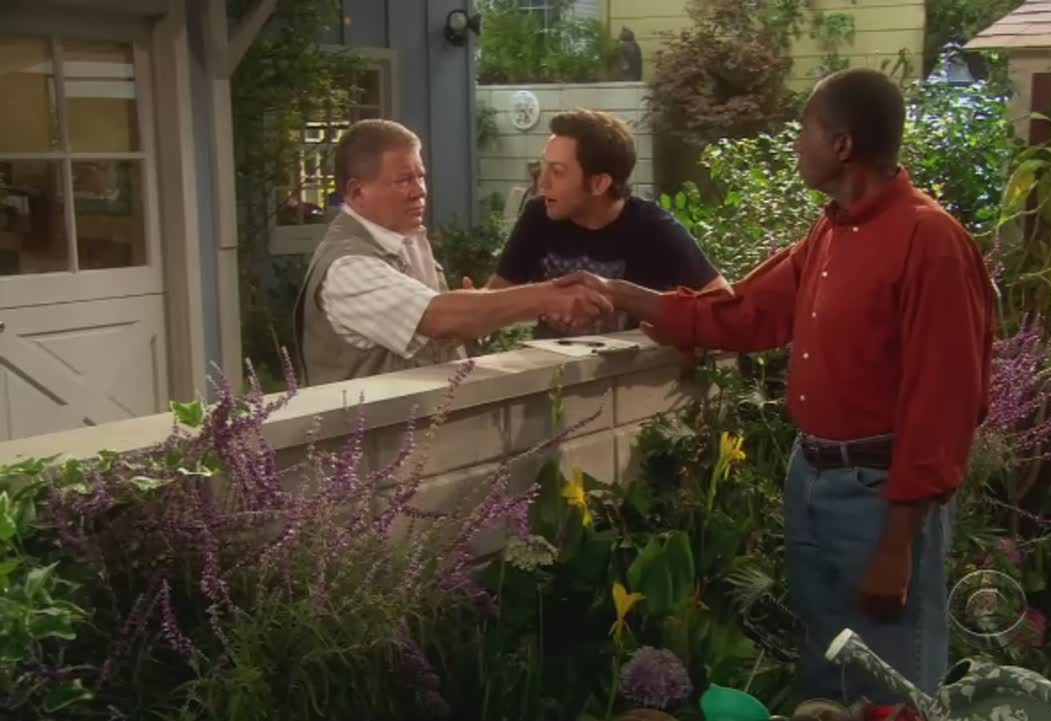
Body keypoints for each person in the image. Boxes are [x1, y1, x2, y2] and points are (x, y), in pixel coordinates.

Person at [556, 70, 996, 710]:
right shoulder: (831, 231)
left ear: (841, 145)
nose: (796, 143)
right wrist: (623, 294)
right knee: (826, 674)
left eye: (805, 129)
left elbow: (944, 403)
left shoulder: (931, 241)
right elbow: (746, 314)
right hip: (812, 477)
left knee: (891, 688)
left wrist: (898, 546)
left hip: (880, 497)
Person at [293, 119, 612, 386]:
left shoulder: (406, 239)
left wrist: (475, 311)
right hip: (372, 442)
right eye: (404, 180)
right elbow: (436, 317)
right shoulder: (347, 268)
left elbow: (438, 332)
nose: (419, 191)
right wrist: (546, 297)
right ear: (356, 191)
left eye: (421, 176)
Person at [482, 109, 728, 337]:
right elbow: (494, 297)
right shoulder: (538, 215)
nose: (542, 183)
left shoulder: (653, 228)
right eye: (543, 168)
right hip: (548, 366)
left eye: (557, 171)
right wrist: (474, 303)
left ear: (599, 184)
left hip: (633, 367)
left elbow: (723, 301)